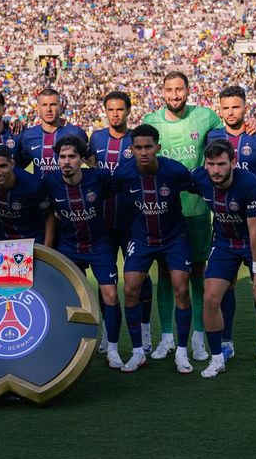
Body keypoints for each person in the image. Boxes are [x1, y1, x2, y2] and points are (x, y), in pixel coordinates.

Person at [143, 71, 222, 362]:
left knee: (198, 276)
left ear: (188, 90)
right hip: (164, 213)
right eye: (169, 90)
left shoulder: (206, 117)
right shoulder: (151, 122)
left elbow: (224, 140)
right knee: (165, 276)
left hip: (197, 211)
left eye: (179, 89)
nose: (174, 95)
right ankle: (167, 338)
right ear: (162, 92)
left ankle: (198, 339)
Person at [207, 84, 256, 362]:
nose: (230, 112)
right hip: (225, 229)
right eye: (225, 107)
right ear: (220, 109)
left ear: (245, 107)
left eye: (235, 107)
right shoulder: (212, 136)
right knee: (223, 288)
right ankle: (226, 343)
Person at [111, 124, 196, 375]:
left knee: (181, 288)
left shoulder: (175, 171)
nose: (144, 152)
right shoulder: (123, 174)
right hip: (143, 237)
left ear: (158, 147)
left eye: (149, 146)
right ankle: (138, 352)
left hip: (174, 236)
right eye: (138, 147)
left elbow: (199, 186)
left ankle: (181, 352)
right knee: (130, 289)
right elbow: (109, 192)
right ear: (131, 149)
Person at [192, 139, 256, 382]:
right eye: (211, 164)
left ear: (233, 163)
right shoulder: (200, 178)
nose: (216, 170)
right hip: (225, 242)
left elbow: (255, 232)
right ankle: (217, 357)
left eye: (221, 164)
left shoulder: (248, 183)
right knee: (210, 297)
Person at [46, 135, 125, 369]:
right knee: (66, 297)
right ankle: (69, 344)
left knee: (110, 294)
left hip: (98, 245)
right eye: (62, 157)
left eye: (72, 156)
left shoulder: (99, 177)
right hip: (68, 246)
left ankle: (112, 348)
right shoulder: (49, 181)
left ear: (82, 159)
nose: (67, 161)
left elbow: (124, 184)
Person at [89, 90, 153, 355]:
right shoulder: (96, 138)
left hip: (133, 222)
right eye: (110, 110)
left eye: (120, 109)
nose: (115, 114)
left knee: (139, 279)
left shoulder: (136, 139)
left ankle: (146, 331)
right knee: (107, 282)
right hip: (103, 221)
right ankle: (108, 333)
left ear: (128, 111)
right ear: (105, 111)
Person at [0, 145, 55, 244]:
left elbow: (49, 215)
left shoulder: (33, 186)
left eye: (3, 166)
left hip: (31, 239)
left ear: (12, 164)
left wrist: (47, 249)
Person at [16, 86, 89, 177]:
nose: (49, 109)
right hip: (40, 191)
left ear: (60, 107)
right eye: (44, 105)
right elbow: (19, 168)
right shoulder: (28, 136)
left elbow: (92, 163)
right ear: (38, 108)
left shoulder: (76, 133)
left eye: (53, 104)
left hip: (67, 190)